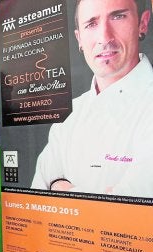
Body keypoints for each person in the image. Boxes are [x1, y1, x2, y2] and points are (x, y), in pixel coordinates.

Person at [31, 0, 153, 197]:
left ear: (143, 23)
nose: (104, 37)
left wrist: (59, 186)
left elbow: (133, 202)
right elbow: (38, 197)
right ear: (79, 38)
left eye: (118, 16)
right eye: (91, 24)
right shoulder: (69, 116)